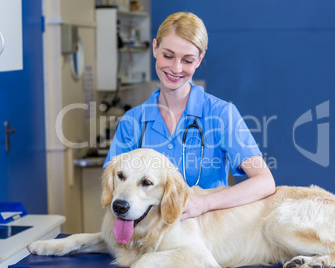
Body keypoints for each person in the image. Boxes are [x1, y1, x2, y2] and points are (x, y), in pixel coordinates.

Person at [104, 12, 276, 220]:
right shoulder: (133, 122)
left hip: (208, 235)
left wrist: (204, 203)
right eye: (168, 55)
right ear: (155, 48)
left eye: (187, 60)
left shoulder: (220, 114)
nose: (176, 68)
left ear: (200, 59)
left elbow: (264, 182)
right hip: (150, 236)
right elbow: (113, 185)